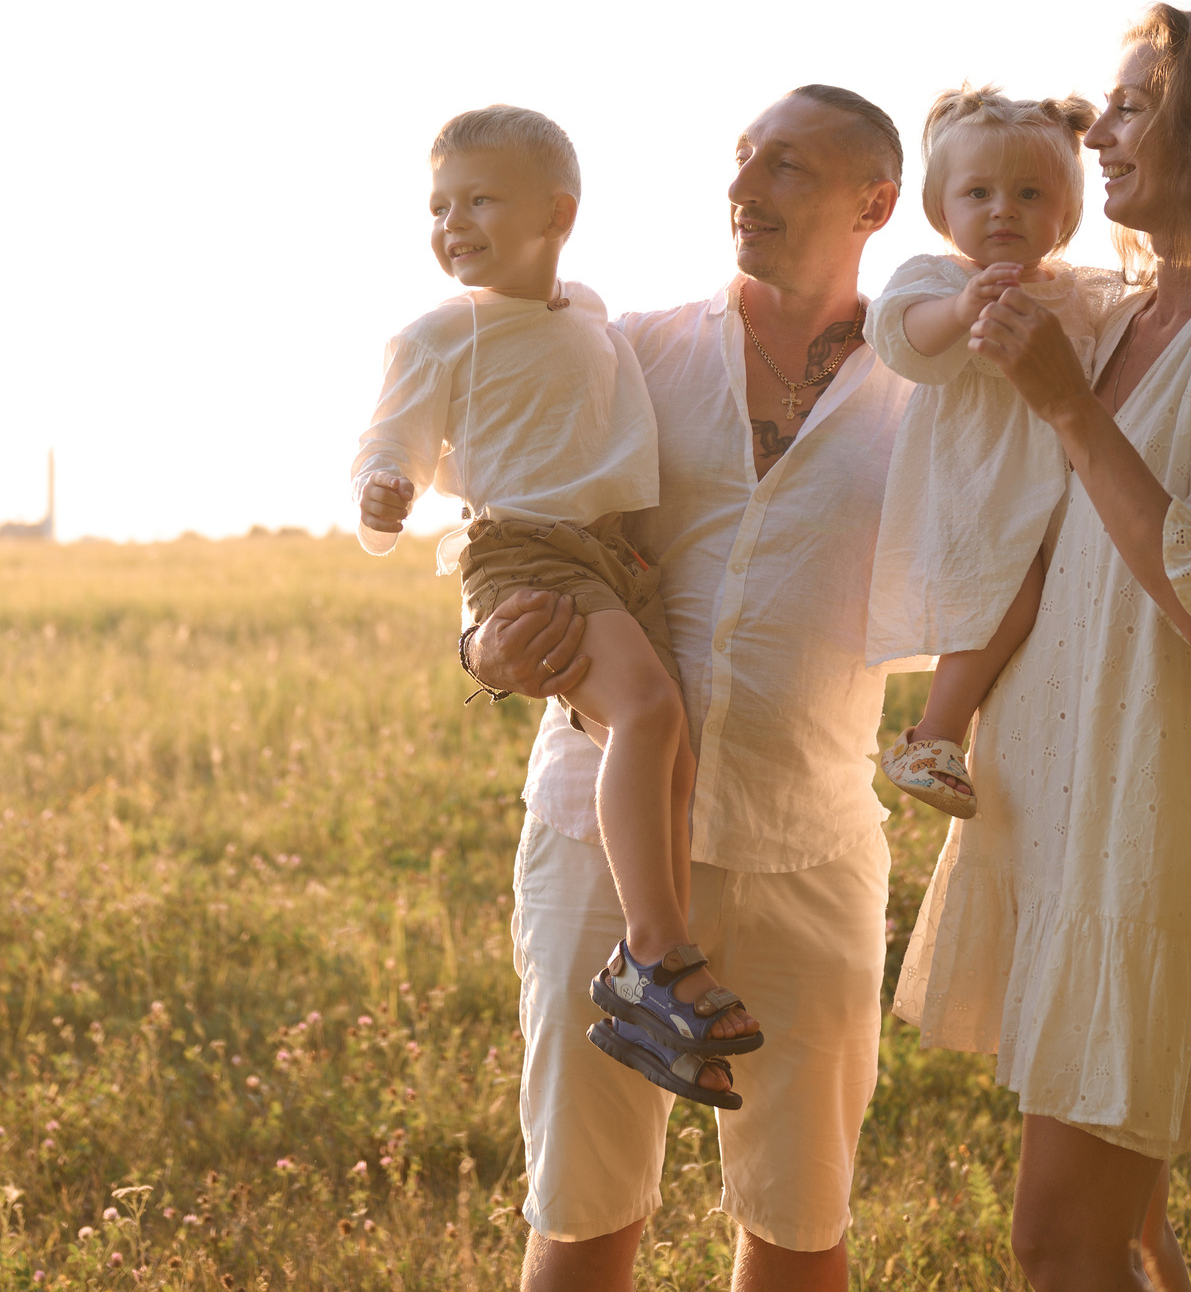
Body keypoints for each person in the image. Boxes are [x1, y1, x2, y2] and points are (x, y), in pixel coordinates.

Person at [892, 6, 1191, 1292]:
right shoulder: (1114, 315)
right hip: (1051, 796)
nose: (1098, 130)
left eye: (1138, 104)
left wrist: (1064, 404)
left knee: (1059, 1244)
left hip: (1135, 827)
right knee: (1133, 1241)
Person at [466, 85, 909, 1292]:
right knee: (582, 1215)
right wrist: (484, 650)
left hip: (811, 847)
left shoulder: (929, 393)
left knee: (799, 1226)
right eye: (741, 157)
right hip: (595, 842)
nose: (742, 187)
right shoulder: (632, 351)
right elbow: (512, 527)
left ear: (874, 202)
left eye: (786, 167)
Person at [351, 105, 763, 1111]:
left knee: (674, 751)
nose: (453, 223)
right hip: (524, 549)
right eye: (438, 207)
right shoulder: (439, 332)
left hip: (615, 555)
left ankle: (654, 984)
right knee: (649, 714)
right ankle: (654, 952)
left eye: (479, 201)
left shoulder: (586, 310)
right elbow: (389, 440)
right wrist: (382, 493)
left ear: (557, 216)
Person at [864, 85, 1125, 820]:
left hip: (1052, 493)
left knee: (1045, 604)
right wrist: (961, 309)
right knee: (1011, 599)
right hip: (973, 484)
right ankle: (931, 737)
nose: (1003, 209)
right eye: (978, 193)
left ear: (1067, 213)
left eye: (1030, 193)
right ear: (941, 208)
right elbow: (898, 337)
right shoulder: (938, 279)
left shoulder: (1081, 294)